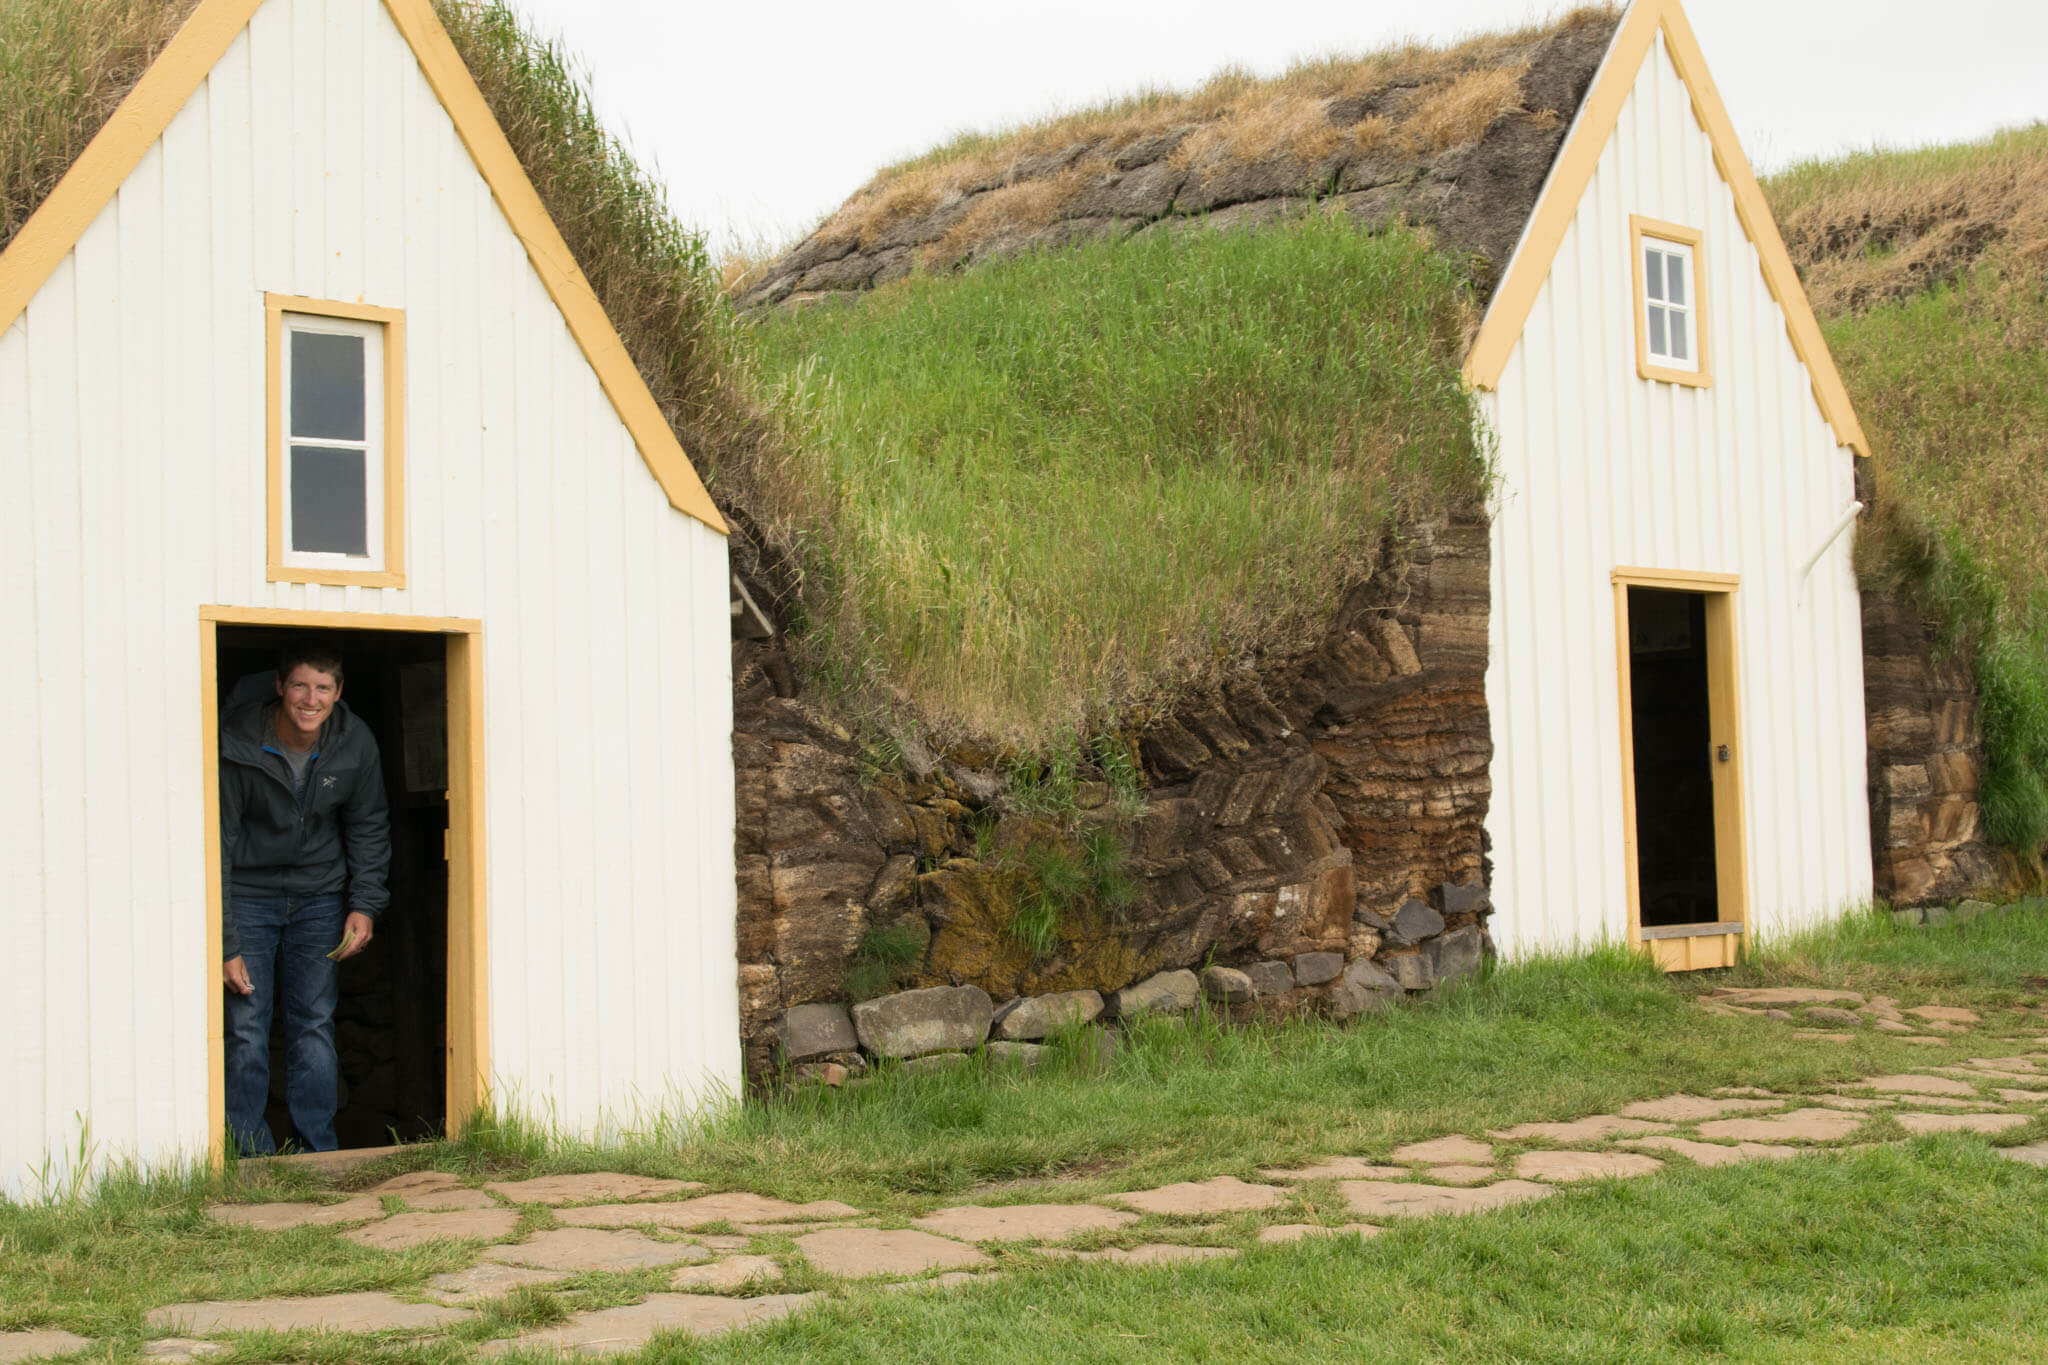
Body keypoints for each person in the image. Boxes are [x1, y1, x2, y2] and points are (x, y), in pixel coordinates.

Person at [219, 640, 391, 1154]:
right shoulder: (237, 740)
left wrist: (364, 905)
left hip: (320, 897)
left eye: (322, 687)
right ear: (279, 687)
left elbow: (369, 825)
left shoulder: (353, 741)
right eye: (299, 685)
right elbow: (218, 842)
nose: (309, 698)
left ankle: (318, 1150)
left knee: (313, 1023)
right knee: (247, 1025)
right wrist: (226, 941)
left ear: (338, 693)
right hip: (249, 897)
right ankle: (250, 1153)